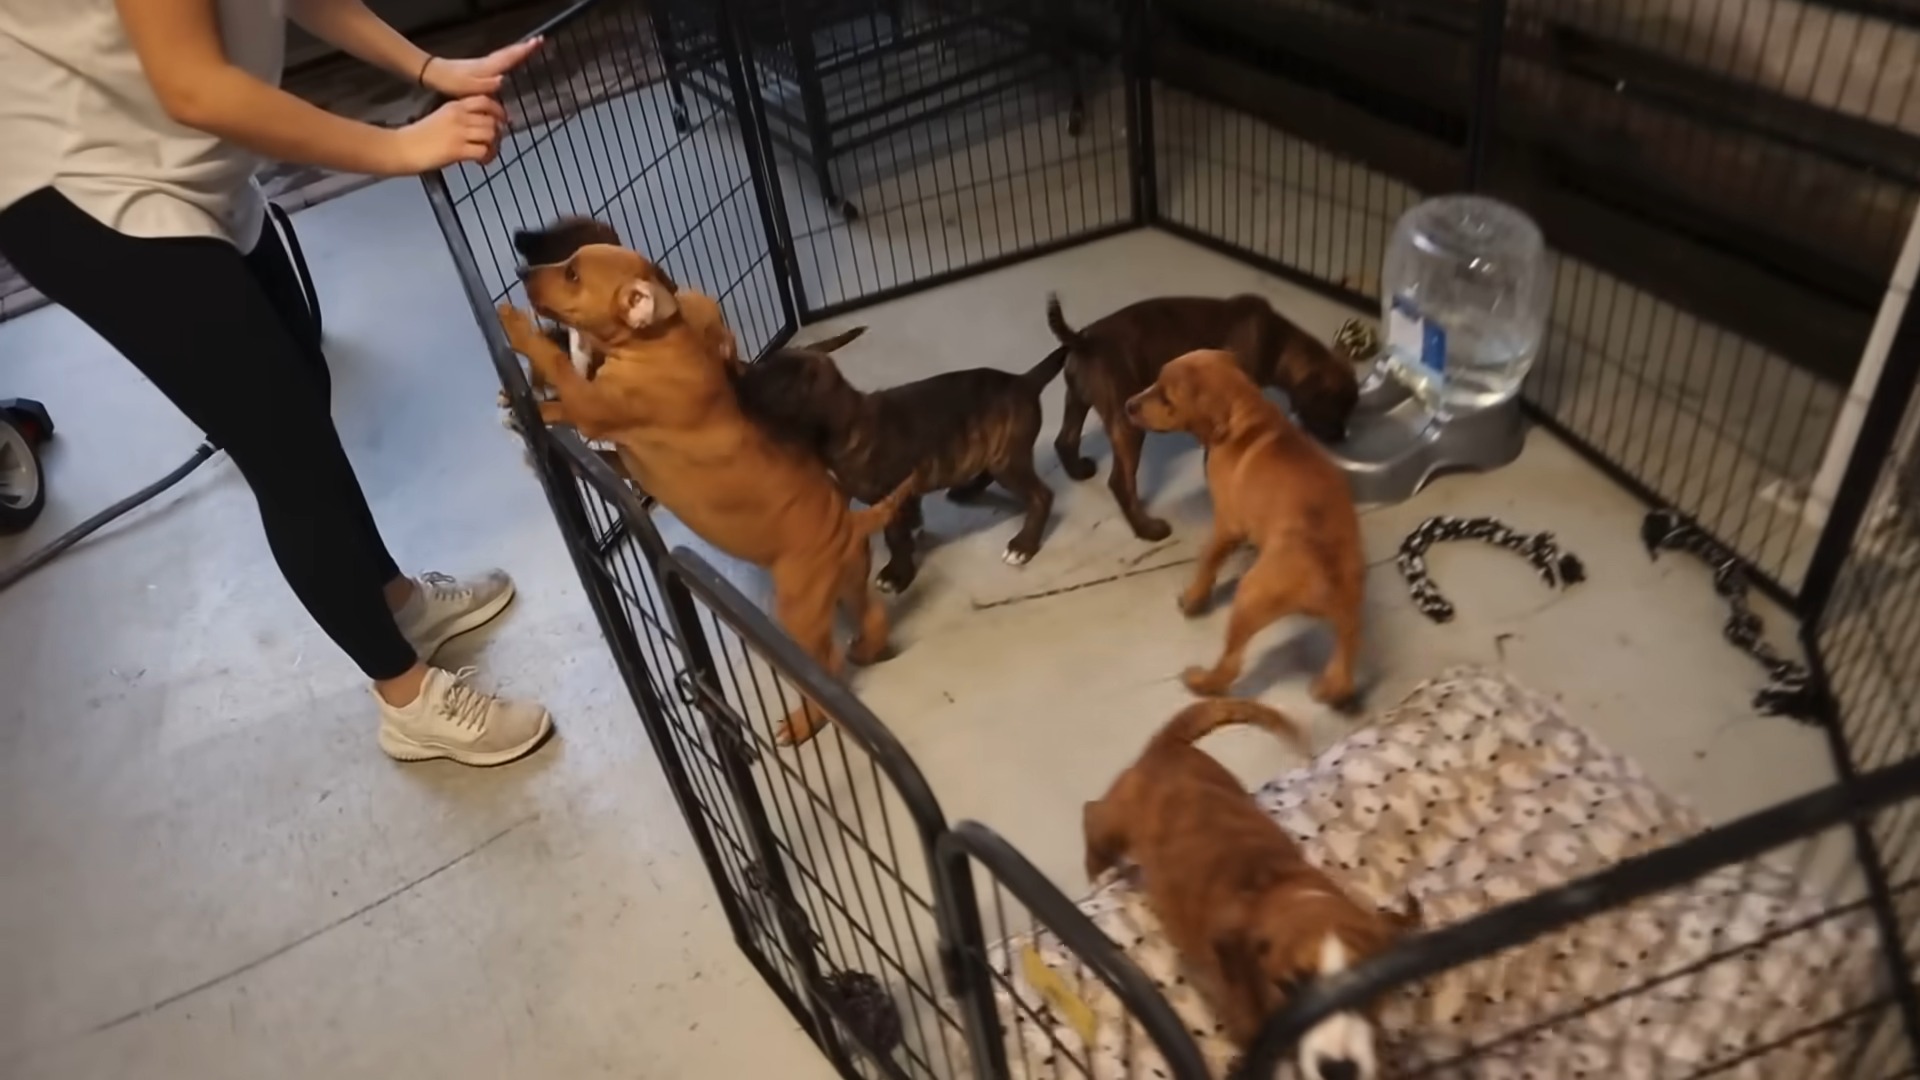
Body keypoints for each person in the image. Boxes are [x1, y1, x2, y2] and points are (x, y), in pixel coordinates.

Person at [0, 0, 554, 766]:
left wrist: (429, 68)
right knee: (281, 445)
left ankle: (395, 601)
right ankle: (405, 698)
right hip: (82, 178)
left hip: (182, 150)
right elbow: (195, 87)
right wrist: (399, 147)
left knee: (298, 385)